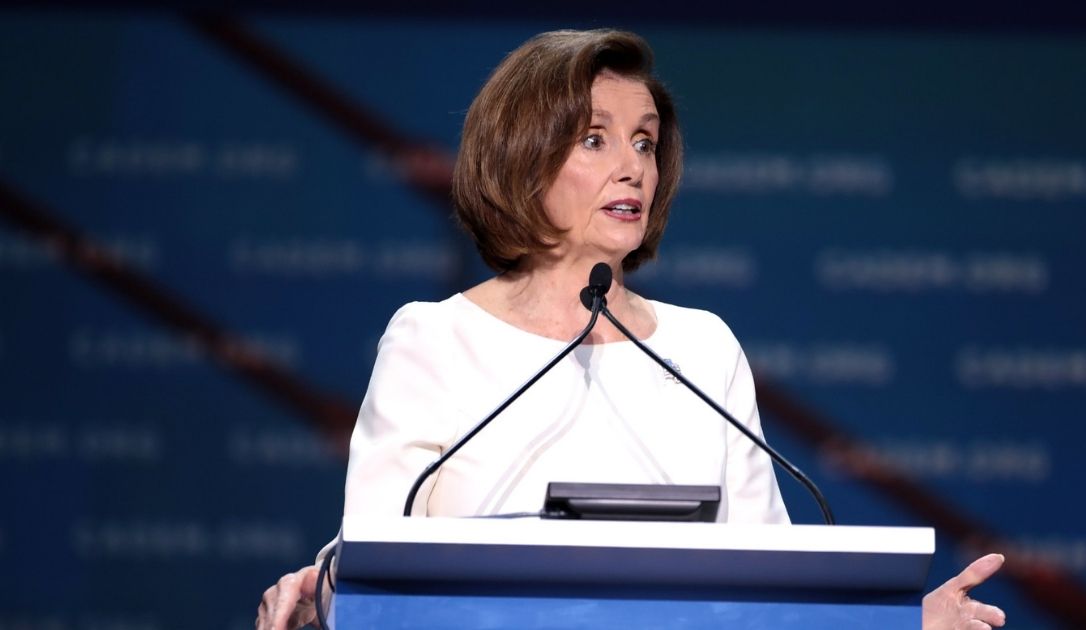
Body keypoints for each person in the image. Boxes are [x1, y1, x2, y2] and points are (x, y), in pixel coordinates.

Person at [256, 29, 1007, 630]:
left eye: (645, 142)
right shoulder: (434, 340)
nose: (633, 168)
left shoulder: (702, 349)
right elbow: (378, 559)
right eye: (596, 139)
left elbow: (779, 587)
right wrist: (324, 593)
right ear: (522, 156)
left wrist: (905, 622)